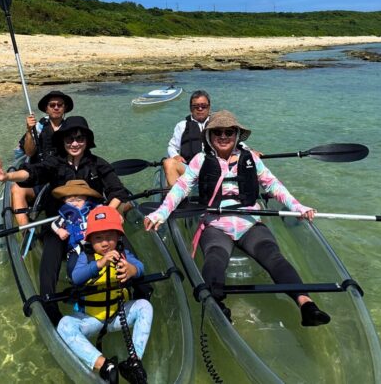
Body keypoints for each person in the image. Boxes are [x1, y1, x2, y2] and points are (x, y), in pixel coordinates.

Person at [144, 110, 331, 327]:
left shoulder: (250, 158)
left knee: (273, 256)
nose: (223, 136)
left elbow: (272, 184)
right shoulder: (200, 160)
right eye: (218, 132)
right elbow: (181, 188)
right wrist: (161, 212)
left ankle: (306, 304)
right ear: (210, 136)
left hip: (249, 222)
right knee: (215, 257)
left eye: (229, 132)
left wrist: (297, 206)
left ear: (237, 135)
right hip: (216, 224)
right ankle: (217, 304)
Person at [0, 116, 130, 326]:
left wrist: (102, 216)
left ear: (87, 141)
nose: (74, 143)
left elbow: (118, 191)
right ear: (62, 141)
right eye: (69, 138)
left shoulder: (98, 164)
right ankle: (49, 303)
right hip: (60, 222)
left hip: (92, 224)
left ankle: (137, 286)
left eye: (79, 138)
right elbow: (34, 173)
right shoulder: (55, 163)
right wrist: (8, 177)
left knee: (118, 239)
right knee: (52, 246)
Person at [57, 206, 152, 384]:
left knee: (145, 307)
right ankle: (105, 365)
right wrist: (100, 264)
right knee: (64, 325)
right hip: (91, 318)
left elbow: (140, 267)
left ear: (118, 237)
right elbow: (76, 277)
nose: (105, 243)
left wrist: (132, 270)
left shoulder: (123, 253)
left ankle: (134, 361)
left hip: (118, 314)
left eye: (110, 237)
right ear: (90, 239)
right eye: (99, 238)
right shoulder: (86, 257)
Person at [163, 91, 257, 187]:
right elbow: (172, 146)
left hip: (217, 169)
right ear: (191, 108)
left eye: (203, 106)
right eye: (196, 106)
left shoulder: (218, 123)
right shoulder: (182, 125)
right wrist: (175, 156)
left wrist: (251, 152)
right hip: (191, 170)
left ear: (209, 107)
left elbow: (234, 140)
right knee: (169, 163)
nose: (200, 109)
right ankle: (176, 199)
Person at [12, 90, 73, 226]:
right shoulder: (38, 128)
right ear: (46, 108)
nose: (56, 107)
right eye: (52, 105)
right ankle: (26, 231)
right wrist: (29, 130)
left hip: (64, 179)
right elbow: (28, 152)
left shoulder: (72, 128)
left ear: (65, 108)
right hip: (39, 179)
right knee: (16, 189)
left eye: (60, 105)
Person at [50, 179, 101, 251]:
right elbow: (54, 224)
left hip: (96, 242)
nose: (75, 204)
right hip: (76, 247)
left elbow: (107, 214)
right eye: (70, 201)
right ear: (64, 201)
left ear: (87, 199)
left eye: (79, 200)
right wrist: (60, 231)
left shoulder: (95, 209)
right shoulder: (67, 214)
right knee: (75, 260)